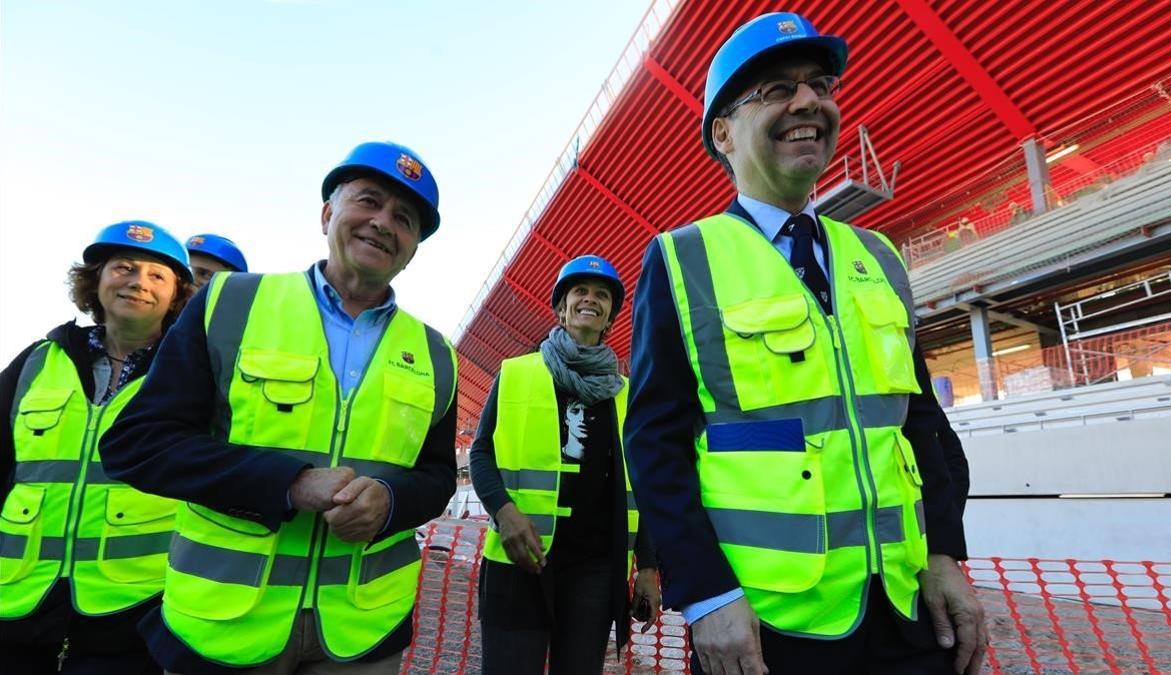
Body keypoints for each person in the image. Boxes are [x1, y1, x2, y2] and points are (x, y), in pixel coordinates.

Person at [623, 12, 987, 675]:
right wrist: (707, 595)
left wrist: (945, 554)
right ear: (723, 132)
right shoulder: (683, 258)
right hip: (768, 628)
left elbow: (921, 423)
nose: (809, 102)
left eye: (820, 84)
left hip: (906, 612)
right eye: (775, 89)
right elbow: (654, 443)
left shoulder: (876, 255)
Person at [98, 141, 458, 674]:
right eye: (368, 201)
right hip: (224, 628)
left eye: (404, 218)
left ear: (413, 248)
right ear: (327, 213)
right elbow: (139, 443)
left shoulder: (435, 354)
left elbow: (436, 477)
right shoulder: (229, 304)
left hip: (363, 632)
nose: (384, 223)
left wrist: (388, 499)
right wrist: (289, 483)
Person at [0, 221, 194, 674]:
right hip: (16, 599)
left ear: (176, 296)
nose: (137, 282)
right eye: (122, 267)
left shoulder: (190, 373)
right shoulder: (36, 361)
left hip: (135, 609)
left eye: (156, 276)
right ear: (96, 280)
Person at [469, 255, 660, 674]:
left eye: (602, 295)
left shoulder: (626, 393)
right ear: (562, 307)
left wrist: (647, 566)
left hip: (594, 571)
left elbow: (642, 483)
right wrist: (505, 513)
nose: (590, 299)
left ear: (610, 316)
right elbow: (481, 453)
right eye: (580, 291)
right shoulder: (517, 374)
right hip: (521, 560)